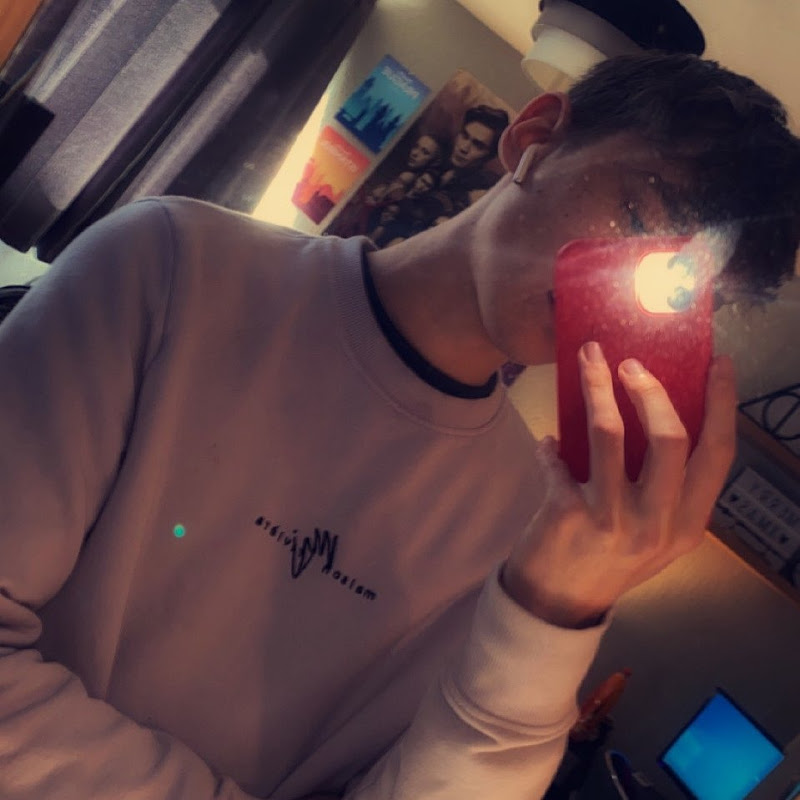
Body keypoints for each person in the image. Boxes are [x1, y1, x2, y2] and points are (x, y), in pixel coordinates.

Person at [0, 52, 798, 800]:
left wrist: (553, 611)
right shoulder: (175, 264)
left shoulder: (539, 527)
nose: (627, 282)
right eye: (634, 215)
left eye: (685, 288)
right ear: (535, 137)